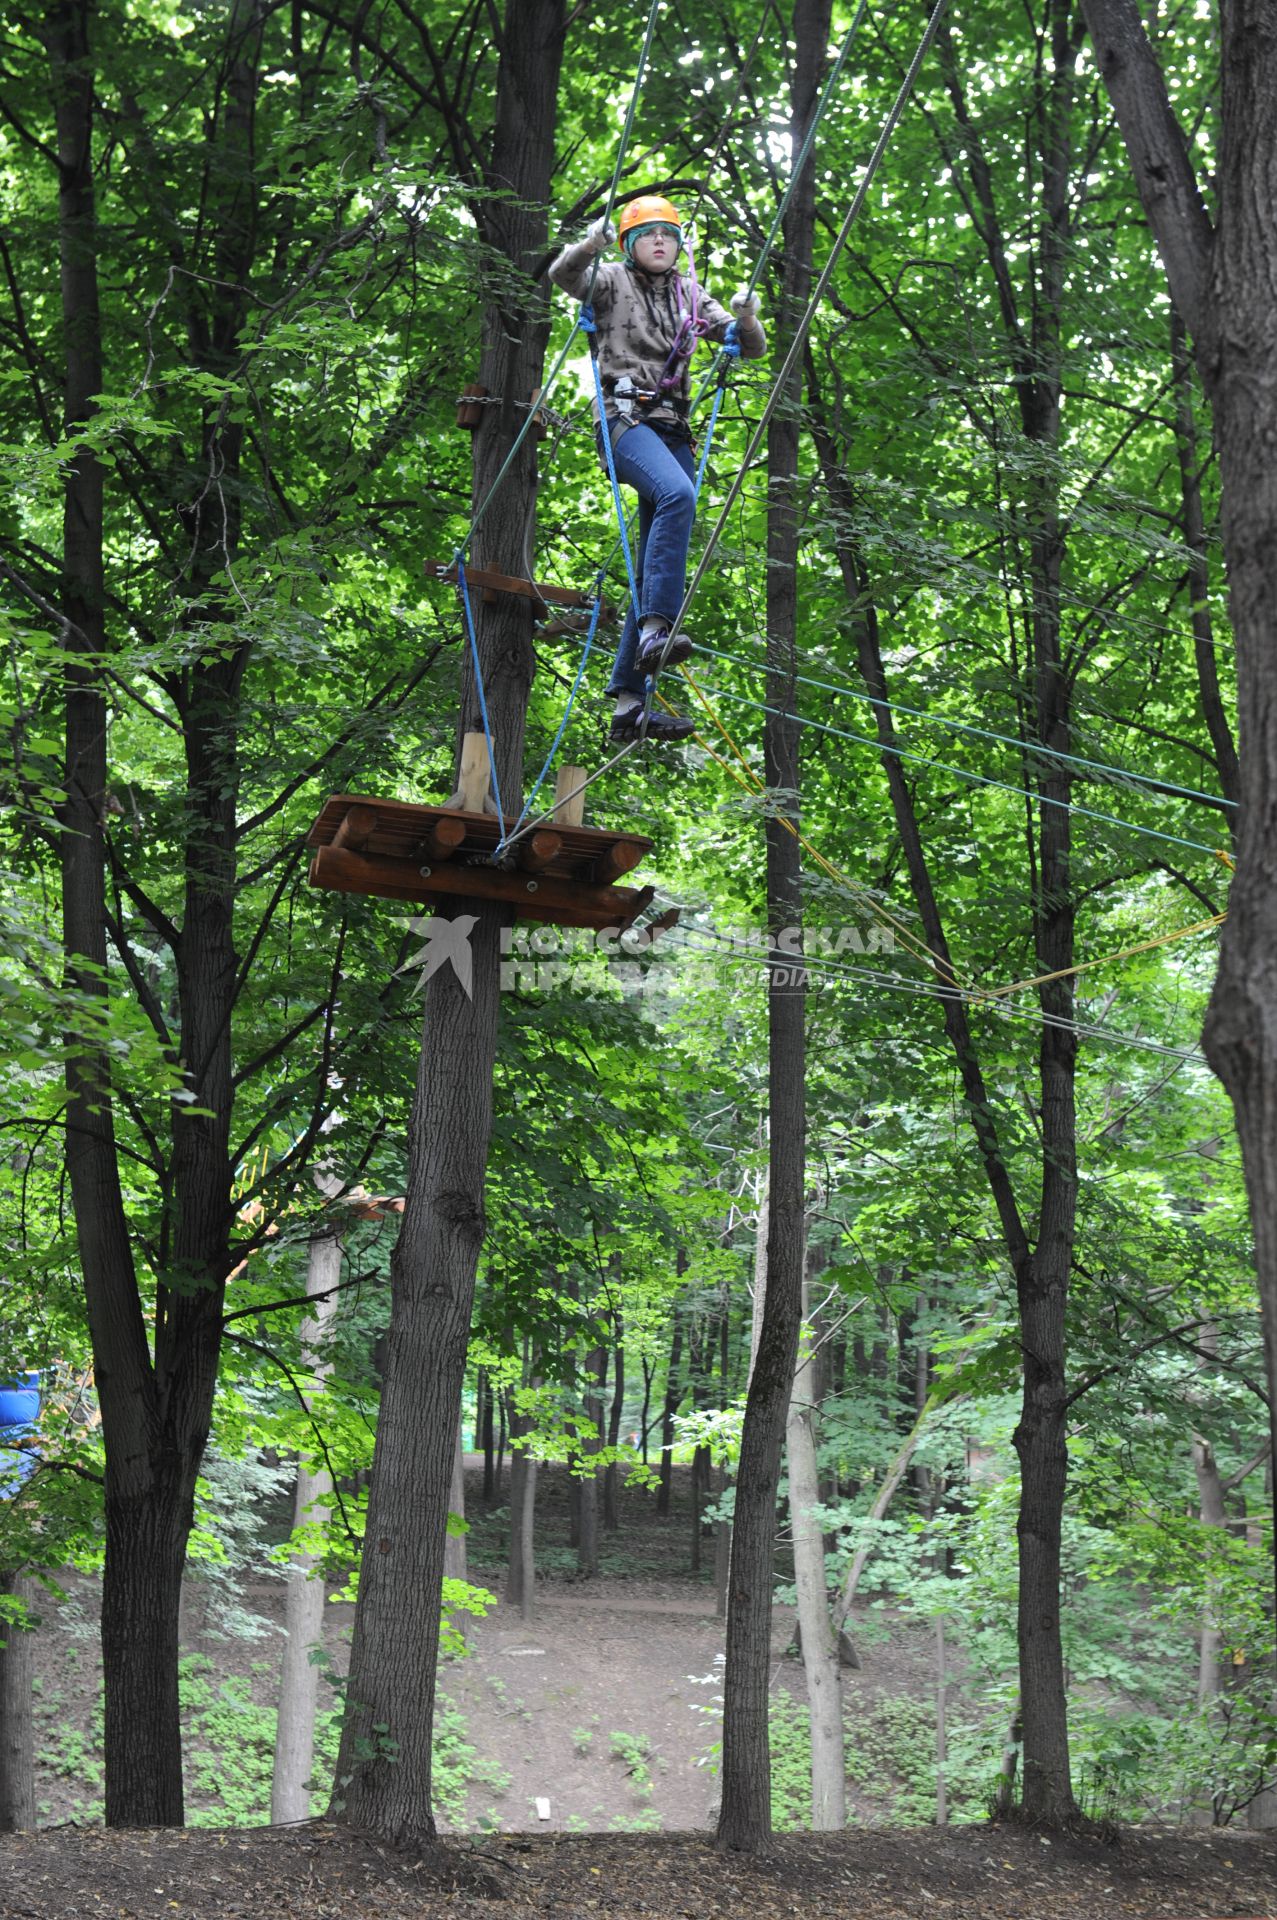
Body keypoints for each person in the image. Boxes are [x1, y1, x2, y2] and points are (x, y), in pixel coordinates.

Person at [549, 195, 765, 742]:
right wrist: (592, 242)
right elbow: (562, 273)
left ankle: (628, 706)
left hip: (672, 428)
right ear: (628, 245)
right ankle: (657, 628)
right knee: (679, 498)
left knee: (654, 560)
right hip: (624, 419)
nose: (660, 242)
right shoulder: (610, 281)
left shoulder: (690, 293)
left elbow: (751, 349)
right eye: (648, 235)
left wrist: (746, 315)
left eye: (668, 234)